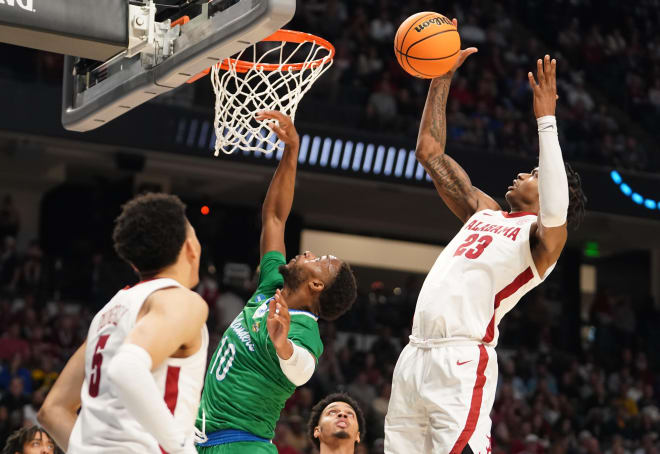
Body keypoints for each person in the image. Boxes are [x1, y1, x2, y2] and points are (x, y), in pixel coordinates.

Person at [384, 21, 587, 454]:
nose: (522, 173)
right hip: (413, 355)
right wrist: (441, 78)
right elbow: (429, 153)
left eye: (533, 173)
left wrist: (546, 121)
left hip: (461, 360)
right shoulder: (484, 210)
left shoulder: (542, 241)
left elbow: (554, 207)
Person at [195, 111, 358, 453]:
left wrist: (283, 345)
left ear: (316, 287)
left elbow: (301, 370)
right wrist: (291, 150)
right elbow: (274, 216)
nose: (310, 252)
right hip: (202, 439)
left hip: (243, 446)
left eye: (320, 262)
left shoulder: (304, 331)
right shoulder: (273, 285)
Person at [38, 193, 209, 454]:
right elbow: (127, 368)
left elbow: (52, 410)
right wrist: (183, 448)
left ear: (133, 261)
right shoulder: (181, 301)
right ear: (190, 247)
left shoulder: (109, 312)